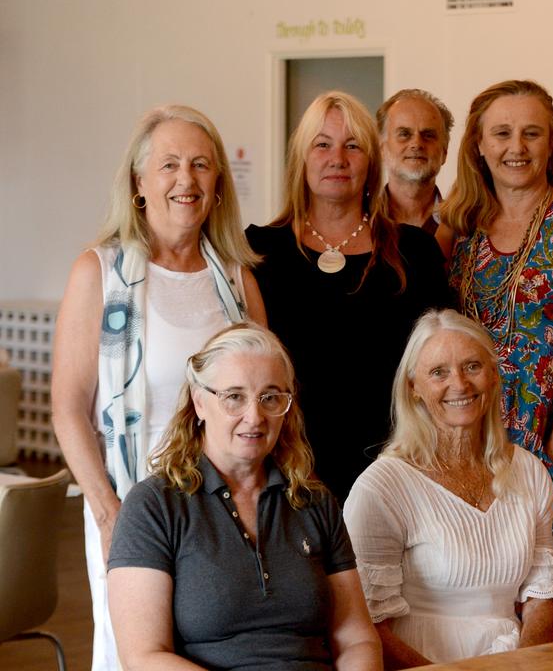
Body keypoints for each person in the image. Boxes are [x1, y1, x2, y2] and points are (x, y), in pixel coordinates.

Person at [50, 104, 266, 671]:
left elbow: (268, 396)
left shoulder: (237, 280)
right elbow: (70, 409)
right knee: (137, 656)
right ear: (139, 183)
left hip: (226, 508)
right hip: (131, 502)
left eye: (200, 164)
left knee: (218, 649)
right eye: (168, 165)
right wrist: (105, 510)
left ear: (217, 182)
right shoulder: (98, 273)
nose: (185, 179)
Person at [438, 79, 553, 636]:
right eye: (502, 133)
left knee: (549, 589)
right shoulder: (460, 225)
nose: (516, 146)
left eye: (531, 132)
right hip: (476, 435)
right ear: (478, 145)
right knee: (486, 581)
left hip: (552, 429)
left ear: (551, 143)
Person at [107, 323, 380, 670]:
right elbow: (143, 656)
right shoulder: (154, 505)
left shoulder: (313, 500)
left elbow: (355, 636)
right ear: (200, 402)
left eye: (270, 397)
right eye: (234, 397)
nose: (255, 417)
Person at [247, 90, 455, 501]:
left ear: (372, 161)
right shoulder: (259, 252)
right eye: (322, 144)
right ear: (301, 159)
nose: (337, 158)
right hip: (290, 470)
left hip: (398, 470)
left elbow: (440, 363)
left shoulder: (415, 251)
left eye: (352, 146)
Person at [344, 310, 553, 667]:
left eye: (472, 366)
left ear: (494, 375)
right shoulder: (382, 487)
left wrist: (525, 663)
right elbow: (366, 625)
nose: (460, 384)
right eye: (439, 372)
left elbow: (542, 591)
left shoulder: (528, 470)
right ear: (413, 387)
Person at [376, 88, 454, 233]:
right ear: (382, 148)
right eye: (404, 134)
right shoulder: (359, 222)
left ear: (444, 151)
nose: (416, 144)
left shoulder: (463, 226)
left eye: (428, 135)